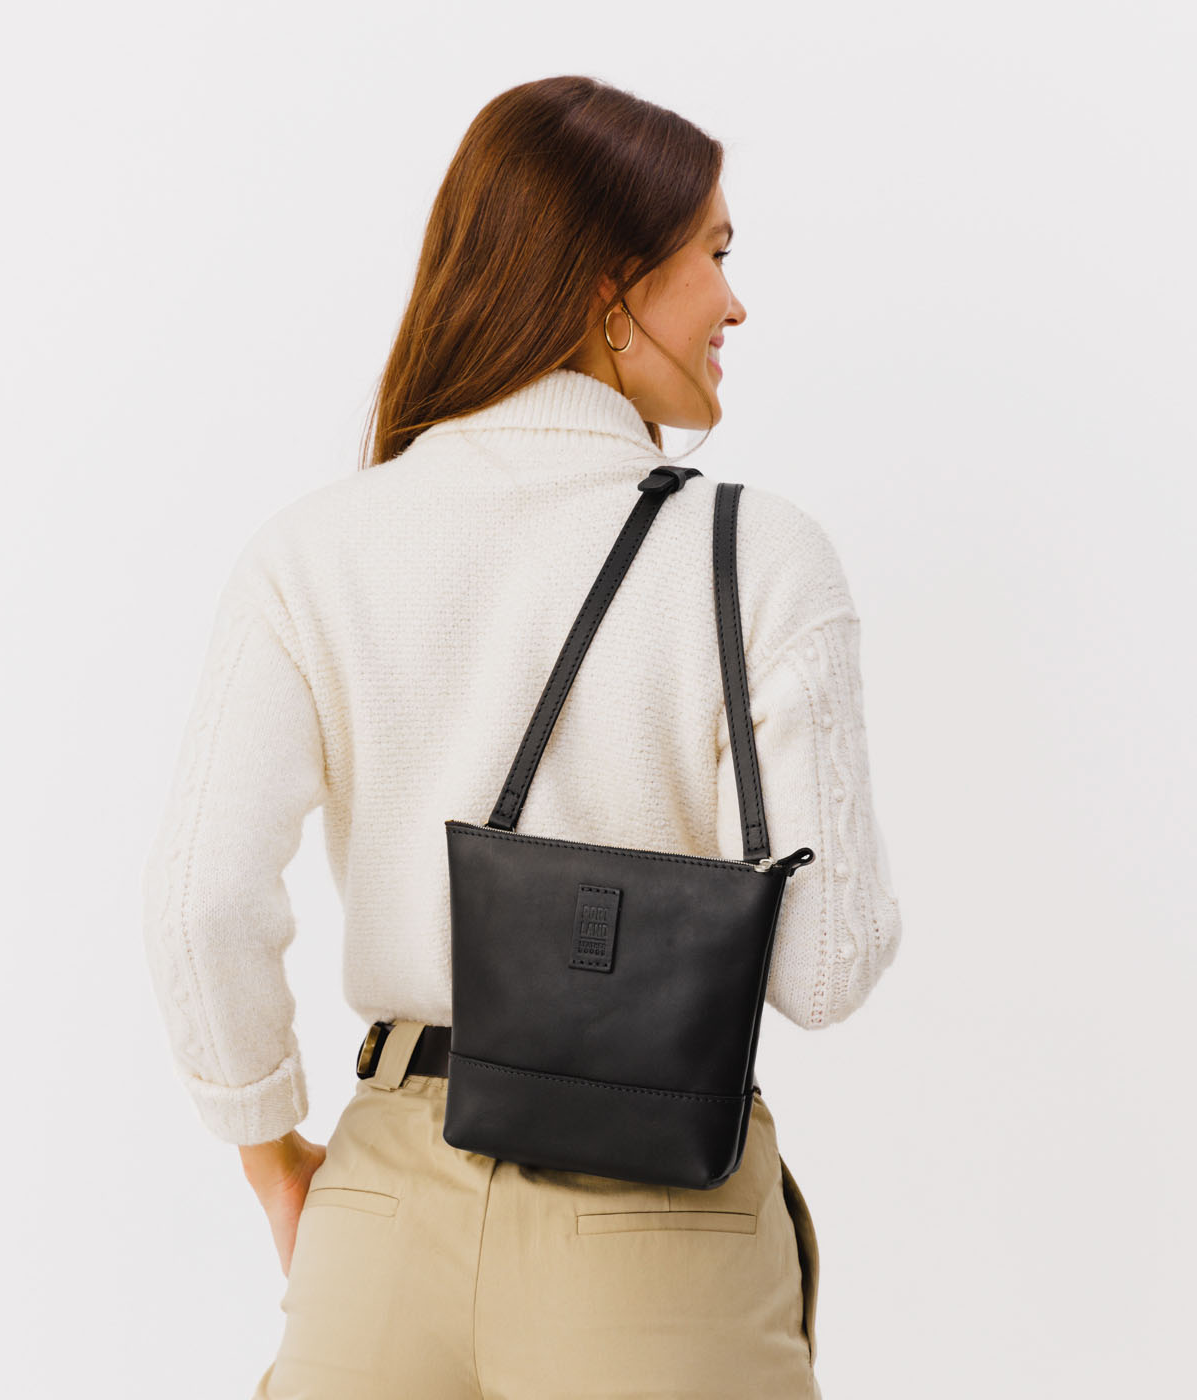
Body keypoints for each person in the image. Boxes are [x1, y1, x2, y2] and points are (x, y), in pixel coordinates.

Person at [141, 74, 902, 1400]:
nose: (735, 305)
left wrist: (276, 1164)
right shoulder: (756, 555)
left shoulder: (313, 550)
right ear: (612, 288)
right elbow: (824, 972)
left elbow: (200, 903)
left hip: (377, 1223)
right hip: (656, 1226)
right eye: (716, 255)